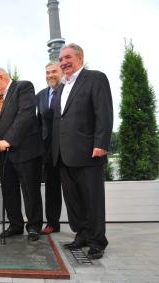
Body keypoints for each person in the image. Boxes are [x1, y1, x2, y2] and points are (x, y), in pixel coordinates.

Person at [52, 43, 113, 259]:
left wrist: (101, 143)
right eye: (60, 59)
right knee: (73, 200)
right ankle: (82, 235)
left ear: (80, 57)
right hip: (64, 155)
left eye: (67, 57)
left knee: (92, 199)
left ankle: (97, 241)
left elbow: (103, 112)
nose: (63, 62)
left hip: (89, 152)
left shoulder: (95, 78)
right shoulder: (60, 87)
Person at [0, 67, 43, 241]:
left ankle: (33, 226)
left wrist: (8, 140)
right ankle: (15, 225)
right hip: (3, 154)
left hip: (25, 150)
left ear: (2, 77)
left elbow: (25, 116)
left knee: (29, 189)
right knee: (9, 190)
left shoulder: (23, 87)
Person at [36, 62, 63, 235]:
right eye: (47, 72)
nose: (50, 75)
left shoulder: (68, 90)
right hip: (48, 151)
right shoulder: (40, 95)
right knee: (52, 189)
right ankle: (53, 222)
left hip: (68, 147)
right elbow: (39, 123)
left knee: (73, 189)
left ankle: (83, 226)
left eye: (54, 71)